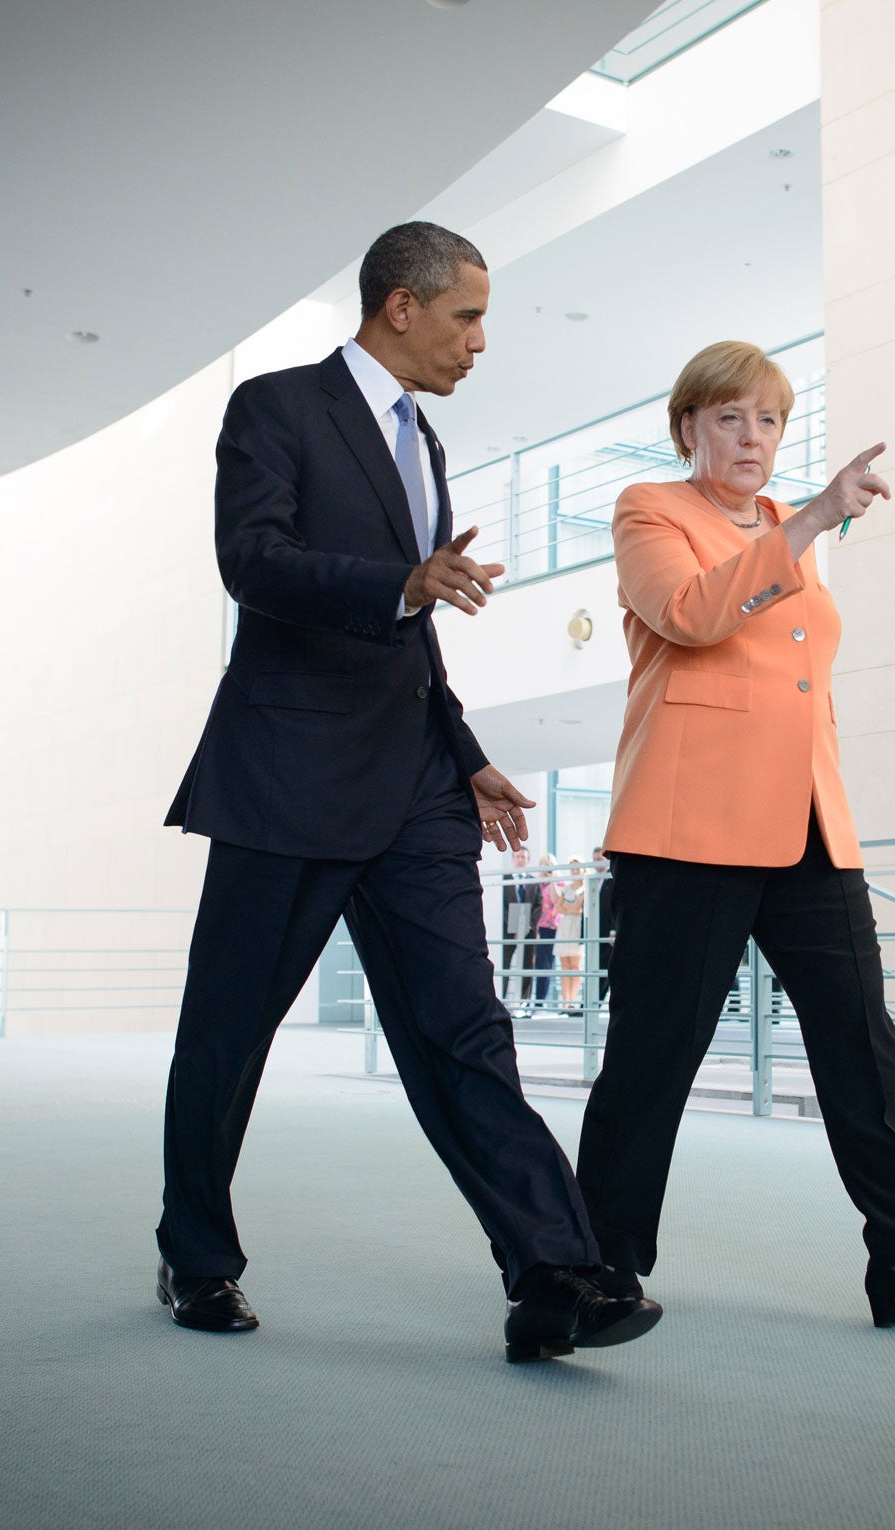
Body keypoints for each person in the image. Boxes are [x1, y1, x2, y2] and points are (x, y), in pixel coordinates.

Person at [156, 222, 660, 1362]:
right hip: (286, 779)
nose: (480, 340)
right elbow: (254, 561)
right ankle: (195, 1256)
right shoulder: (275, 408)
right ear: (399, 307)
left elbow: (415, 631)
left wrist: (465, 746)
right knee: (228, 1035)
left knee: (463, 1032)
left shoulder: (423, 440)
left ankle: (554, 1271)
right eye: (466, 315)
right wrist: (400, 580)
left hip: (416, 786)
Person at [574, 340, 895, 1326]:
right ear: (687, 427)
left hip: (809, 823)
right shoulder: (652, 511)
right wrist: (818, 516)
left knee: (862, 1040)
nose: (749, 437)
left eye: (767, 419)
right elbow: (689, 615)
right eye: (728, 417)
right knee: (655, 1055)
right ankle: (594, 1266)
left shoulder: (781, 525)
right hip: (688, 829)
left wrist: (803, 522)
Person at [498, 846, 540, 1004]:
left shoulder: (534, 881)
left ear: (528, 860)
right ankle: (501, 999)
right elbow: (501, 904)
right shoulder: (504, 879)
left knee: (527, 966)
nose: (520, 859)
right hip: (507, 930)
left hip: (528, 931)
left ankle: (523, 1001)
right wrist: (514, 927)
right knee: (505, 964)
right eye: (517, 856)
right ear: (512, 859)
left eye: (523, 857)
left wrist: (527, 926)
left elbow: (538, 905)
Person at [556, 858, 587, 1012]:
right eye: (572, 869)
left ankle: (573, 1000)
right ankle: (565, 1002)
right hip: (564, 927)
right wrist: (571, 908)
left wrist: (568, 908)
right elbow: (559, 908)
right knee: (565, 966)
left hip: (577, 928)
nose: (575, 871)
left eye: (577, 868)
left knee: (575, 966)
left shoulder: (586, 888)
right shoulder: (566, 888)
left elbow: (578, 908)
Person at [531, 853, 560, 1006]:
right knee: (536, 962)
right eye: (543, 865)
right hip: (538, 927)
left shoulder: (558, 882)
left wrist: (553, 878)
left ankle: (540, 1001)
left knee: (545, 963)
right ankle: (531, 999)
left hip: (553, 928)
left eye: (549, 865)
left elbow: (556, 900)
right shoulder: (537, 884)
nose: (546, 868)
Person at [590, 846, 618, 1004]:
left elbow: (616, 904)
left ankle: (596, 1001)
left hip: (609, 932)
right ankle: (592, 1000)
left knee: (605, 967)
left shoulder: (612, 878)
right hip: (595, 931)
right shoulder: (593, 880)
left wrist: (614, 929)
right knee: (594, 964)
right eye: (594, 860)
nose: (597, 863)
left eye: (599, 859)